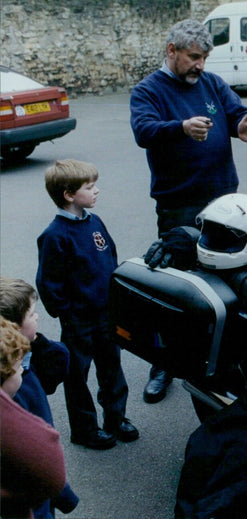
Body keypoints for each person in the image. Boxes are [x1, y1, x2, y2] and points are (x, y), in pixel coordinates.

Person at [130, 19, 247, 402]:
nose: (200, 66)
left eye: (205, 58)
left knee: (227, 279)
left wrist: (243, 127)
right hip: (178, 205)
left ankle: (224, 355)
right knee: (177, 285)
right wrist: (180, 127)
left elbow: (236, 114)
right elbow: (143, 131)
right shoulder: (148, 90)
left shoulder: (210, 83)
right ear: (172, 51)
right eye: (194, 57)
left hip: (224, 203)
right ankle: (164, 364)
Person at [36, 159, 137, 450]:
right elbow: (48, 282)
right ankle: (84, 429)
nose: (96, 191)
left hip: (106, 314)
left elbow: (110, 260)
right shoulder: (55, 235)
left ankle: (116, 418)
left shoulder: (95, 222)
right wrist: (66, 313)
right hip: (78, 320)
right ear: (69, 195)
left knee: (112, 367)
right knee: (77, 375)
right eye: (89, 187)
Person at [0, 278, 79, 518]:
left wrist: (33, 340)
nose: (37, 317)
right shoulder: (12, 395)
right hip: (32, 498)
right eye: (31, 314)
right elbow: (35, 459)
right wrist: (64, 494)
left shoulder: (19, 366)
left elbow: (59, 363)